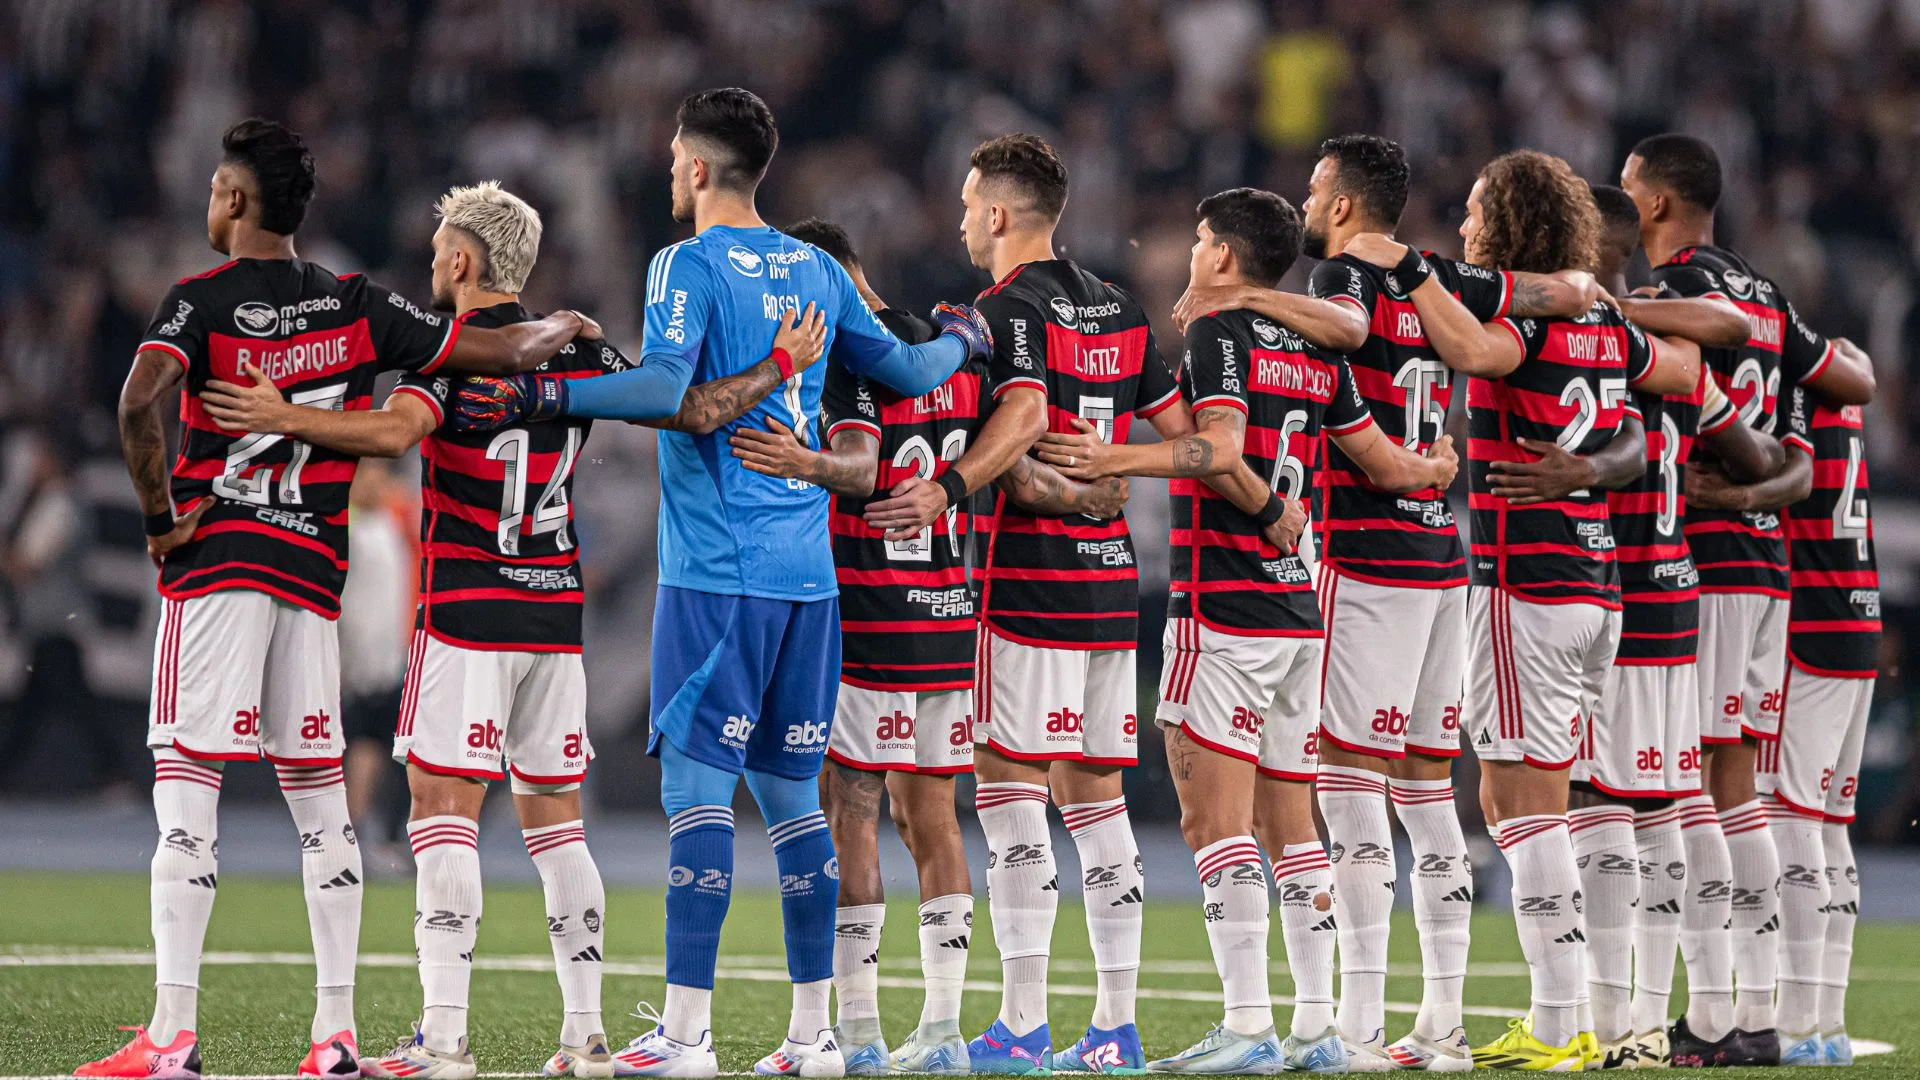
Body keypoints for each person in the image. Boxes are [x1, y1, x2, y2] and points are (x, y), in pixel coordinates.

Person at [197, 180, 824, 1079]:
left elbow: (385, 435)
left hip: (466, 615)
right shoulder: (581, 357)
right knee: (557, 827)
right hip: (552, 615)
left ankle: (444, 1040)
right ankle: (587, 1036)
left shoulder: (452, 361)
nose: (430, 261)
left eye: (438, 247)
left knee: (441, 818)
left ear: (461, 260)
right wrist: (774, 368)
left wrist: (283, 416)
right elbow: (688, 409)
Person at [448, 88, 989, 1079]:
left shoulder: (685, 264)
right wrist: (966, 337)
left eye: (670, 157)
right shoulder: (818, 269)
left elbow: (663, 393)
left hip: (716, 575)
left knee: (697, 796)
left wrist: (539, 390)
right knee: (793, 803)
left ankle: (688, 1036)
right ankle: (814, 1037)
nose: (664, 172)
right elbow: (912, 372)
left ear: (698, 167)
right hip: (808, 582)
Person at [80, 118, 595, 1080]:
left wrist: (159, 516)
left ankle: (171, 1037)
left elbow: (135, 402)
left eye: (212, 189)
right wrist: (566, 324)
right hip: (312, 579)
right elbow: (507, 351)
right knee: (325, 815)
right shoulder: (357, 304)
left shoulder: (199, 303)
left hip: (220, 565)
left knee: (188, 802)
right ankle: (336, 1035)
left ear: (235, 201)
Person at [1170, 134, 1599, 1073]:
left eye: (1319, 185)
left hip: (1365, 561)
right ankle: (1438, 1023)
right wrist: (1572, 290)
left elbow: (1352, 334)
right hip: (1443, 553)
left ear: (1347, 202)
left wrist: (1238, 295)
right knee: (1427, 794)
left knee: (1351, 791)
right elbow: (1543, 294)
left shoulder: (1336, 279)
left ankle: (1357, 1029)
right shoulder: (1439, 276)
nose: (1310, 197)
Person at [1040, 187, 1457, 1074]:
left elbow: (1218, 449)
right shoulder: (1315, 349)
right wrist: (1434, 466)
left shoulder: (1222, 336)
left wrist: (1117, 456)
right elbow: (1379, 461)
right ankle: (1314, 1030)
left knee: (1212, 823)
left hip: (1225, 606)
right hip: (1300, 612)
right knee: (1291, 826)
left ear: (1223, 257)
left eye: (1198, 239)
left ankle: (1247, 1024)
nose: (1190, 252)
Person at [737, 218, 1124, 1076]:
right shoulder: (947, 347)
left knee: (855, 816)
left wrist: (793, 459)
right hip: (951, 620)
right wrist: (1080, 497)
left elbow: (861, 465)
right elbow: (1013, 472)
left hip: (872, 622)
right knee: (937, 822)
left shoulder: (851, 358)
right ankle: (943, 1030)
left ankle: (863, 1033)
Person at [1342, 149, 1700, 1071]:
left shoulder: (1532, 324)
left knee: (1516, 803)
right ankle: (1578, 1015)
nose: (1463, 228)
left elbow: (1470, 351)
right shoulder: (1607, 327)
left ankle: (1557, 1022)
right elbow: (1682, 374)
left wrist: (1414, 274)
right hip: (1599, 590)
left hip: (1526, 583)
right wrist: (1598, 459)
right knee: (1556, 798)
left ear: (1506, 225)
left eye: (1473, 214)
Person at [891, 132, 1174, 1076]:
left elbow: (1017, 422)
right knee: (1097, 803)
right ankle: (1116, 1026)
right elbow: (1179, 432)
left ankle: (1018, 1023)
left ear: (1004, 214)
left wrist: (954, 484)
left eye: (974, 204)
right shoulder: (1122, 307)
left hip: (1028, 587)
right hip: (1109, 583)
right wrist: (1113, 481)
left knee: (1010, 798)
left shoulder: (1007, 309)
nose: (966, 218)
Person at [1497, 185, 1782, 1069]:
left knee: (1599, 804)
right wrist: (1735, 491)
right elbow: (1763, 446)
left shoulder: (1567, 341)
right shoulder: (1669, 360)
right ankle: (1672, 1021)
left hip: (1597, 583)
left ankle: (1616, 1023)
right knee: (1673, 802)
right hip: (1678, 594)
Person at [1620, 132, 1875, 1066]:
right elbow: (1842, 389)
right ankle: (1753, 1013)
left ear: (1652, 203)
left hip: (1710, 565)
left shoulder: (1676, 292)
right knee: (1742, 792)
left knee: (1692, 789)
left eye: (1628, 191)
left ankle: (1719, 1017)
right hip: (1768, 568)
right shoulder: (1768, 293)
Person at [1692, 383, 1877, 1067]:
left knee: (1790, 816)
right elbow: (1856, 370)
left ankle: (1795, 1021)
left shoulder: (1792, 402)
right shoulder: (1842, 396)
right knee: (1829, 825)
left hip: (1811, 621)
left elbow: (1782, 480)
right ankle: (1824, 1019)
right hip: (1858, 613)